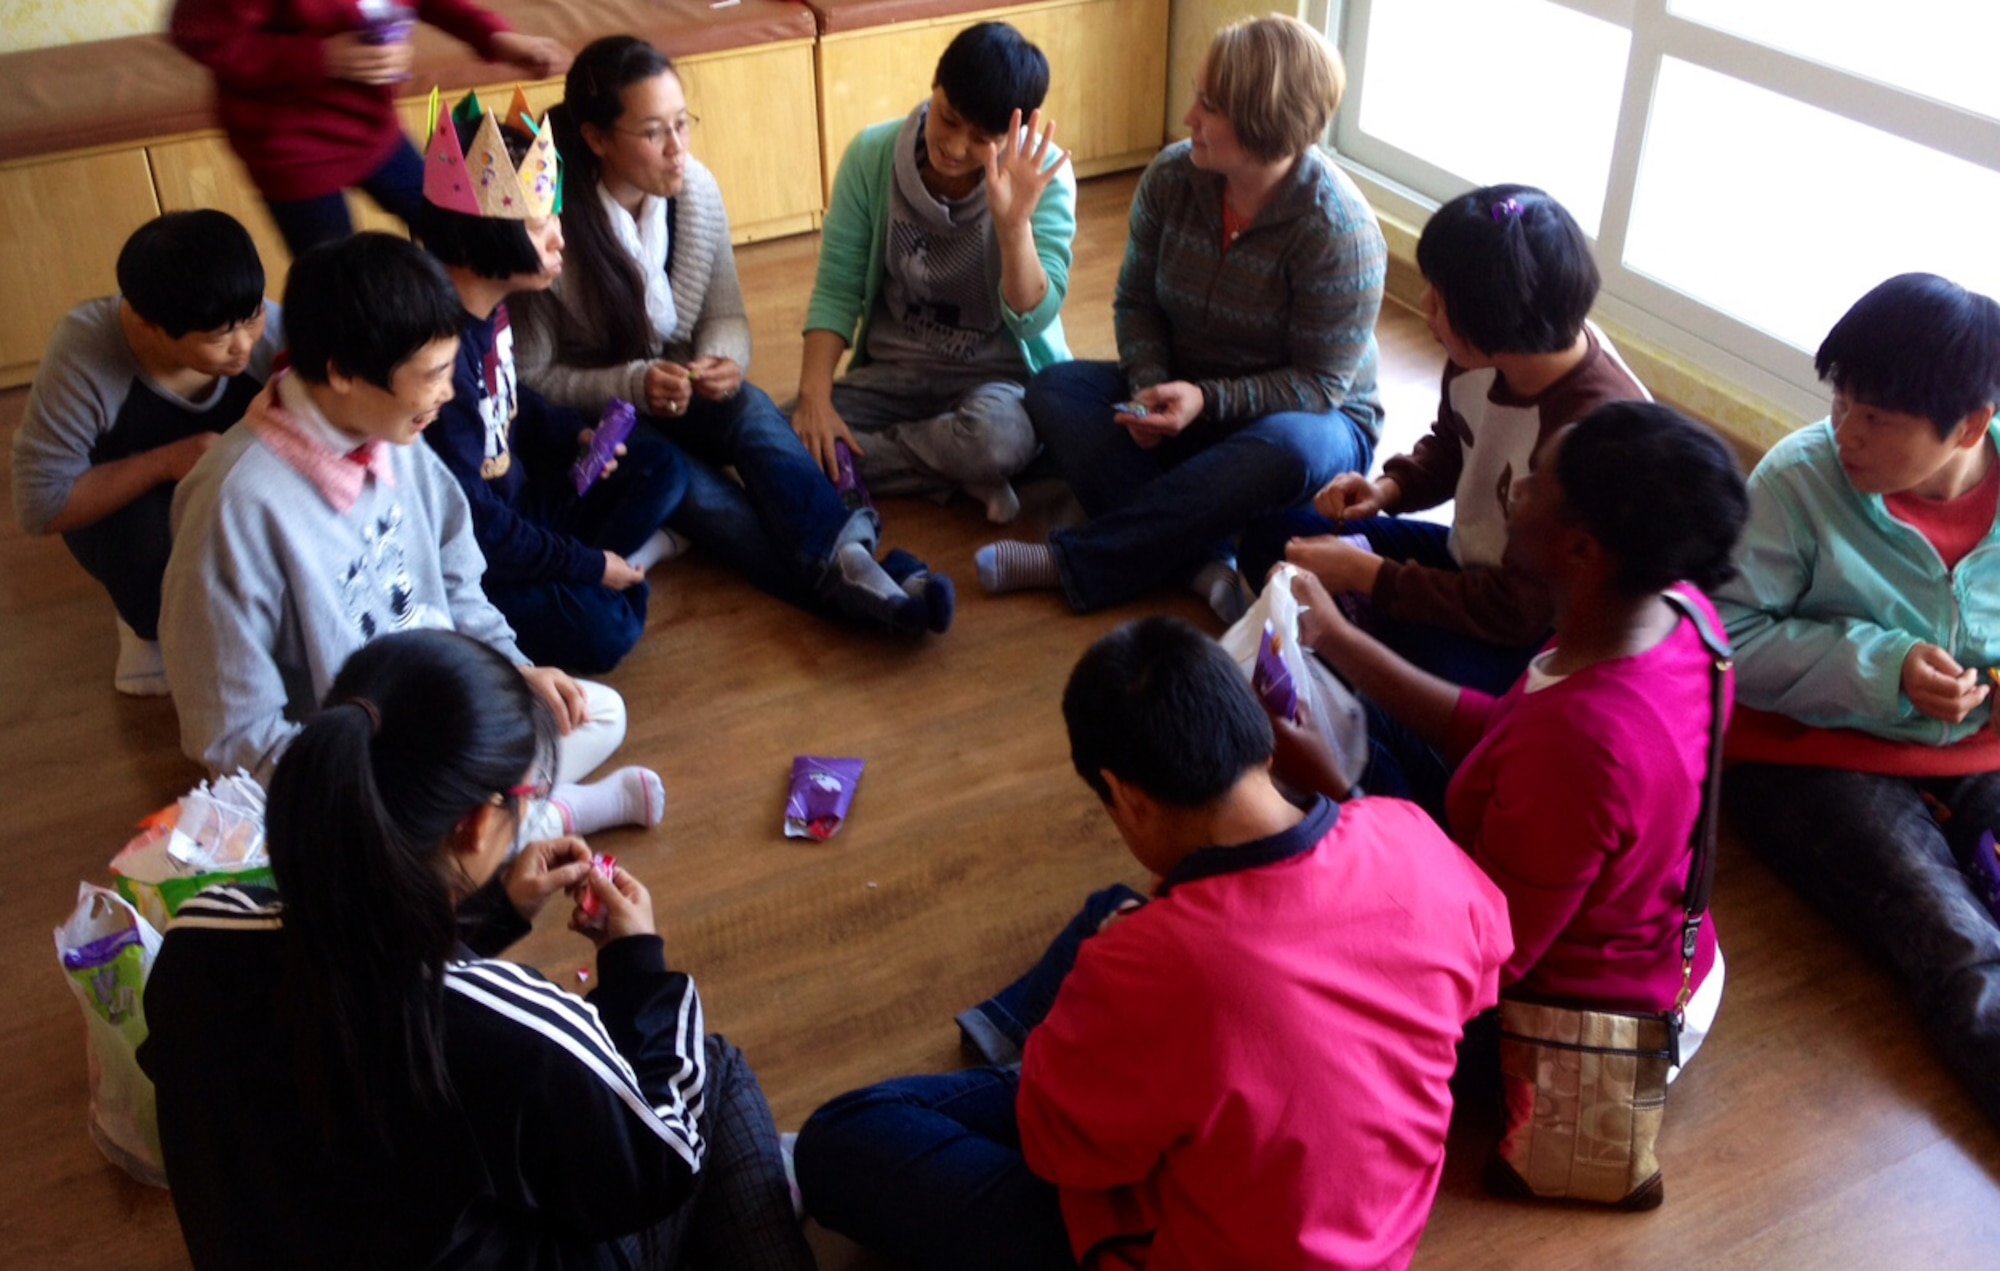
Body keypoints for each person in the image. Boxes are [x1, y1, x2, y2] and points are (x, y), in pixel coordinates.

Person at [795, 617, 1511, 1271]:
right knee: (1116, 923)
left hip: (1178, 1239)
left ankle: (1046, 1057)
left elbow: (1056, 1147)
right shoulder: (1408, 834)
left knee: (841, 1137)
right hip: (1372, 1240)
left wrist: (1103, 1007)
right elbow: (1485, 967)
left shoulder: (1142, 962)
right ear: (1264, 735)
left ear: (1126, 796)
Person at [139, 629, 815, 1271]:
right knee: (712, 1070)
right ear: (476, 823)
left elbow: (370, 990)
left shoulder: (198, 935)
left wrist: (492, 913)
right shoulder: (515, 1028)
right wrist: (638, 968)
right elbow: (662, 1159)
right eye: (529, 795)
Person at [1287, 401, 1744, 1074]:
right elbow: (1501, 728)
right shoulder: (1679, 615)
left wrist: (1335, 801)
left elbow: (1485, 958)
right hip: (1639, 938)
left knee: (1283, 972)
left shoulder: (1584, 747)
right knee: (1334, 701)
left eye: (1536, 485)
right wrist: (1333, 636)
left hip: (1559, 1014)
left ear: (1582, 550)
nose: (1516, 488)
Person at [160, 233, 659, 841]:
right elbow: (235, 733)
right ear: (343, 372)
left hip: (441, 713)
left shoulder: (392, 430)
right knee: (404, 852)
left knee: (597, 712)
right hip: (350, 772)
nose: (448, 394)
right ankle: (530, 821)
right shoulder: (232, 505)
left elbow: (459, 581)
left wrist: (511, 668)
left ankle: (503, 828)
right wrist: (375, 799)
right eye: (434, 376)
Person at [514, 35, 953, 636]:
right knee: (699, 493)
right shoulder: (550, 225)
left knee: (749, 409)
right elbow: (530, 380)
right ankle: (863, 588)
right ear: (596, 139)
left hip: (680, 389)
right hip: (602, 424)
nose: (677, 149)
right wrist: (636, 384)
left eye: (682, 124)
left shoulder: (695, 191)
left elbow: (725, 314)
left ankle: (853, 562)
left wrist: (721, 359)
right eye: (653, 133)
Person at [1714, 273, 2000, 1127]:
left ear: (1970, 427)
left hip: (1978, 747)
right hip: (1812, 754)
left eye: (1876, 417)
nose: (1845, 431)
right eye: (1841, 400)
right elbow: (1722, 640)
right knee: (1948, 932)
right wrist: (1885, 666)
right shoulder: (1799, 480)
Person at [980, 14, 1384, 619]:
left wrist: (1206, 400)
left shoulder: (1339, 230)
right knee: (1054, 391)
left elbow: (1320, 385)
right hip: (1184, 397)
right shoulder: (1172, 176)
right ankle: (1204, 553)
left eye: (1209, 106)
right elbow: (1136, 302)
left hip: (1305, 420)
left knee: (1287, 450)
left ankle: (1077, 560)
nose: (1189, 115)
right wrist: (1149, 389)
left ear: (1263, 121)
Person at [1253, 183, 1647, 696]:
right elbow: (1453, 441)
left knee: (1426, 689)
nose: (1424, 305)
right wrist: (1389, 489)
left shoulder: (1599, 434)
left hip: (1529, 626)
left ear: (1492, 323)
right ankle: (1351, 657)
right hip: (1467, 562)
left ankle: (1355, 664)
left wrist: (1369, 576)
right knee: (1277, 542)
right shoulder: (1487, 353)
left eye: (1439, 299)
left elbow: (1520, 611)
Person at [413, 88, 692, 673]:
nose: (560, 238)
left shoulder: (492, 305)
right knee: (606, 631)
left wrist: (575, 435)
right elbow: (475, 525)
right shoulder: (436, 363)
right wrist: (588, 566)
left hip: (520, 504)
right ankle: (604, 576)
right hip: (481, 551)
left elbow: (514, 401)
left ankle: (595, 573)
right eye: (542, 225)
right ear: (484, 235)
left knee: (661, 468)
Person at [790, 21, 1075, 525]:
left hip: (995, 381)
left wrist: (1014, 227)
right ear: (934, 84)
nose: (956, 147)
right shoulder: (872, 156)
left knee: (999, 441)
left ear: (1018, 133)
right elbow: (838, 288)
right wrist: (814, 400)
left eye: (982, 139)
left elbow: (1033, 318)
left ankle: (859, 463)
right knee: (776, 435)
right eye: (949, 118)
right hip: (895, 372)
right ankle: (957, 470)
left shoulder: (1042, 176)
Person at [11, 210, 281, 696]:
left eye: (253, 318)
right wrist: (168, 462)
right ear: (147, 324)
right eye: (218, 337)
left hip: (236, 489)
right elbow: (40, 505)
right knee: (147, 540)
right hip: (133, 518)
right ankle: (147, 626)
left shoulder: (259, 324)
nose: (243, 346)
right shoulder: (86, 354)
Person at [168, 0, 571, 256]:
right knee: (338, 282)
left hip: (373, 128)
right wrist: (320, 57)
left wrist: (495, 37)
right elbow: (199, 36)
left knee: (461, 231)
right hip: (290, 147)